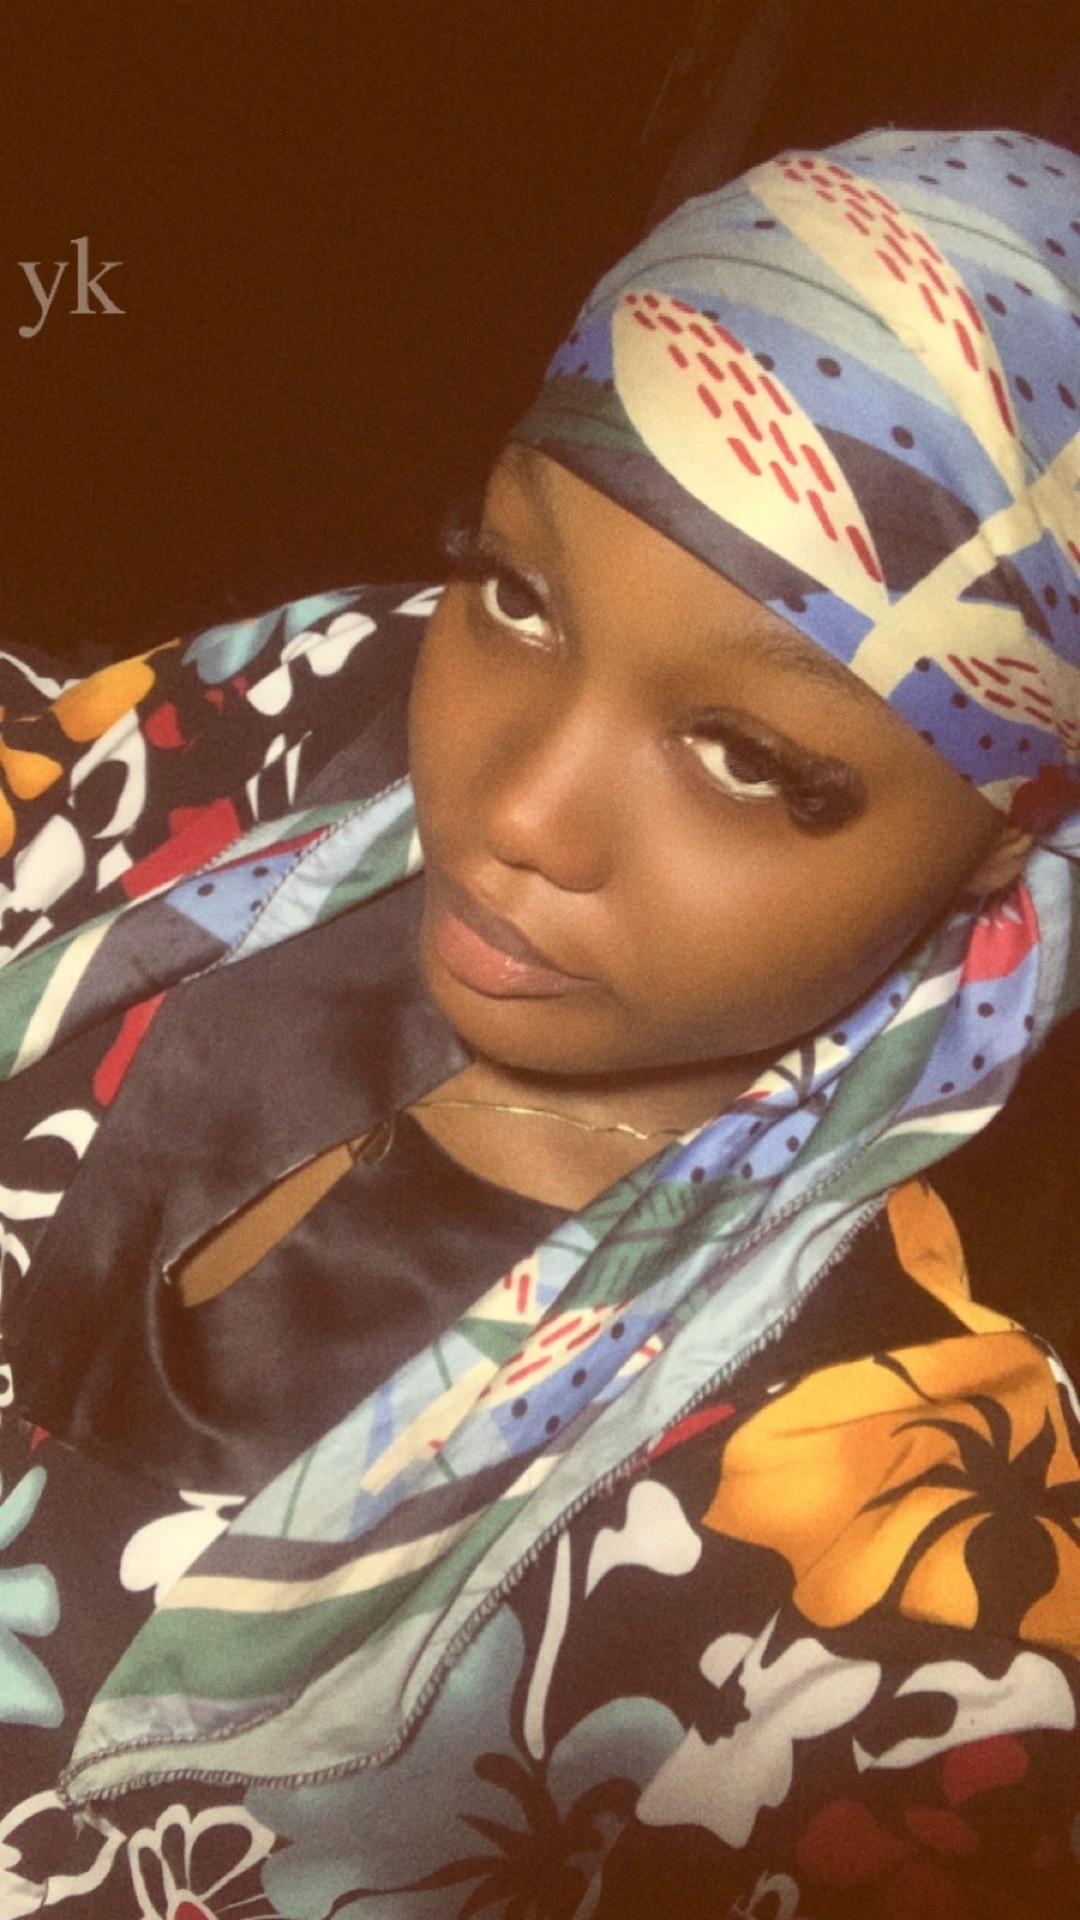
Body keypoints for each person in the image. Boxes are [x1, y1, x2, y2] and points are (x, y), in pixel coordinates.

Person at [0, 124, 1076, 1919]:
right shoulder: (301, 727)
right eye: (519, 593)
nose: (515, 809)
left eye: (750, 759)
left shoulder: (888, 1575)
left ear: (1004, 833)